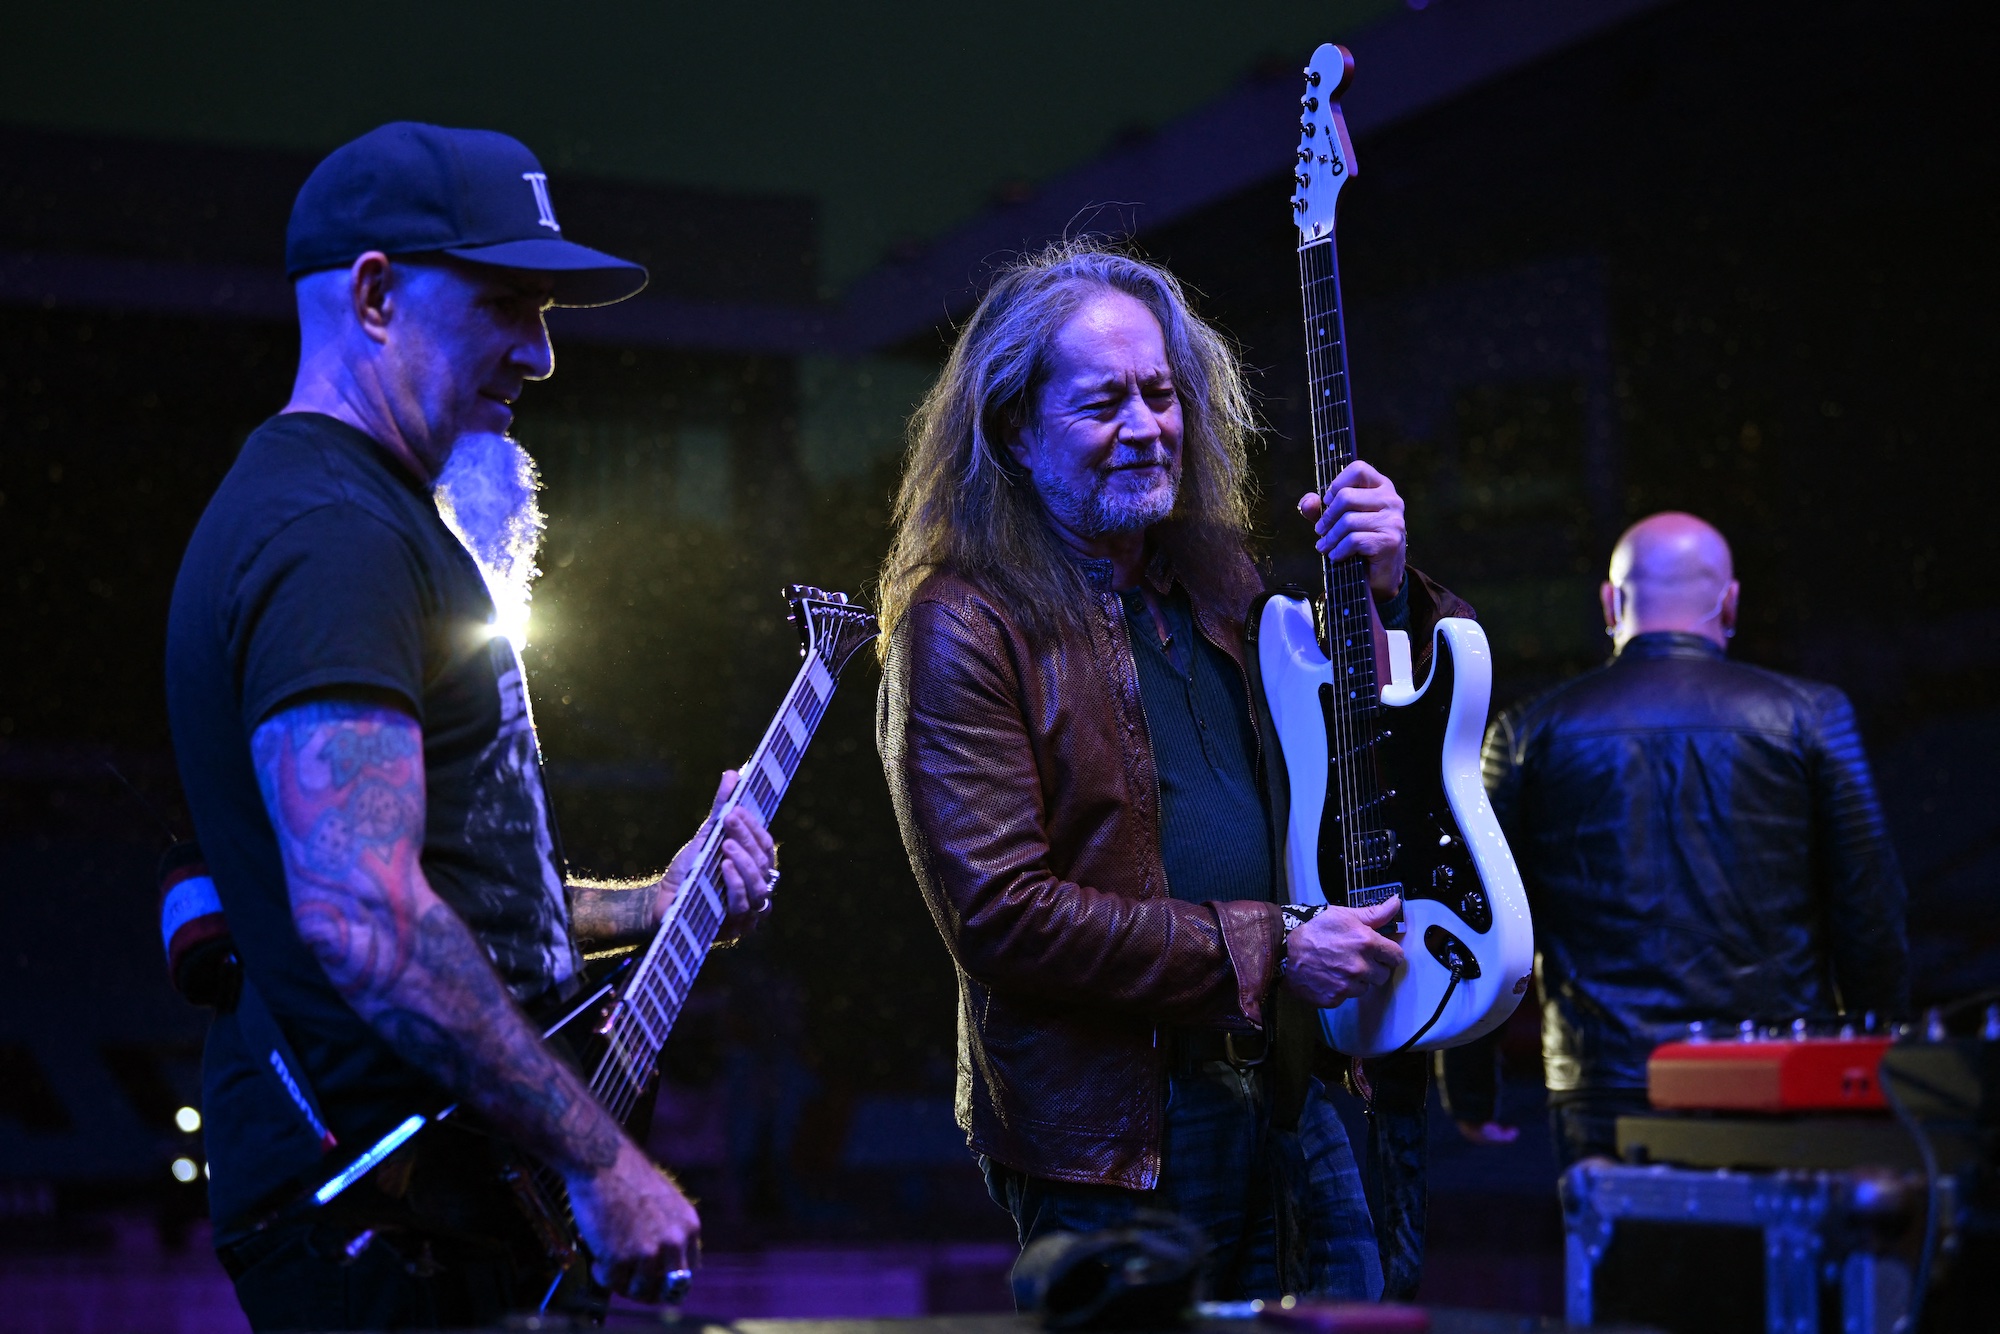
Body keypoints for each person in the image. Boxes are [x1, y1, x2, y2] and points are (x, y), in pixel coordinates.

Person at [165, 123, 777, 1330]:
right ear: (376, 293)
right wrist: (601, 1160)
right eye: (507, 303)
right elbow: (365, 914)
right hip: (396, 1231)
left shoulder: (359, 516)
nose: (541, 353)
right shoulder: (333, 536)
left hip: (448, 1215)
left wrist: (653, 903)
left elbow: (439, 889)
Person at [873, 241, 1476, 1300]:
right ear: (1014, 429)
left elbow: (1381, 743)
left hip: (1292, 1085)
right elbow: (1000, 914)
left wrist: (1386, 591)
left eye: (1160, 393)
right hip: (1120, 1133)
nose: (1147, 428)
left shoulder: (1216, 584)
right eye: (1103, 402)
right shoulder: (961, 621)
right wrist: (1270, 944)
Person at [1472, 511, 1908, 1168]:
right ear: (1730, 602)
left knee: (1621, 1268)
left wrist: (1470, 1090)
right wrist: (1878, 1067)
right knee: (1777, 1267)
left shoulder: (1527, 730)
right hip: (1779, 1075)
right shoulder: (1812, 716)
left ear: (1610, 603)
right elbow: (1870, 911)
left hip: (1607, 1086)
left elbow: (1482, 921)